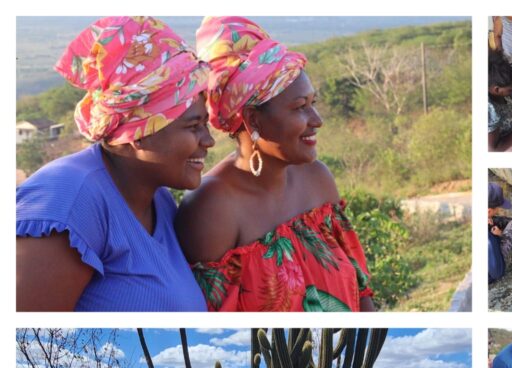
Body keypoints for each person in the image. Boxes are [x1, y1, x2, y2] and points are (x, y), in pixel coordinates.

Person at [176, 16, 374, 312]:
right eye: (300, 108)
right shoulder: (212, 210)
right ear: (254, 119)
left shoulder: (317, 179)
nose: (317, 121)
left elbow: (362, 292)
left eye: (313, 103)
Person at [16, 16, 213, 311]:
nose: (208, 140)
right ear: (140, 133)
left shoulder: (156, 197)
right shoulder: (69, 203)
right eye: (194, 125)